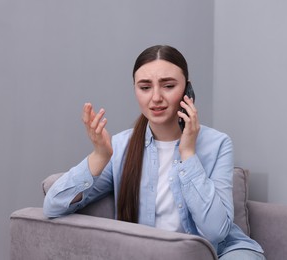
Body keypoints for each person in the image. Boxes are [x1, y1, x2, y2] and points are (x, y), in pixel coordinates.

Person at [43, 45, 265, 259]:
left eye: (168, 86)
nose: (156, 97)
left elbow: (216, 232)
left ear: (188, 90)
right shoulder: (121, 146)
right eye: (145, 87)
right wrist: (99, 156)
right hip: (154, 253)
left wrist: (188, 153)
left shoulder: (218, 143)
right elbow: (53, 205)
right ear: (135, 90)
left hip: (220, 251)